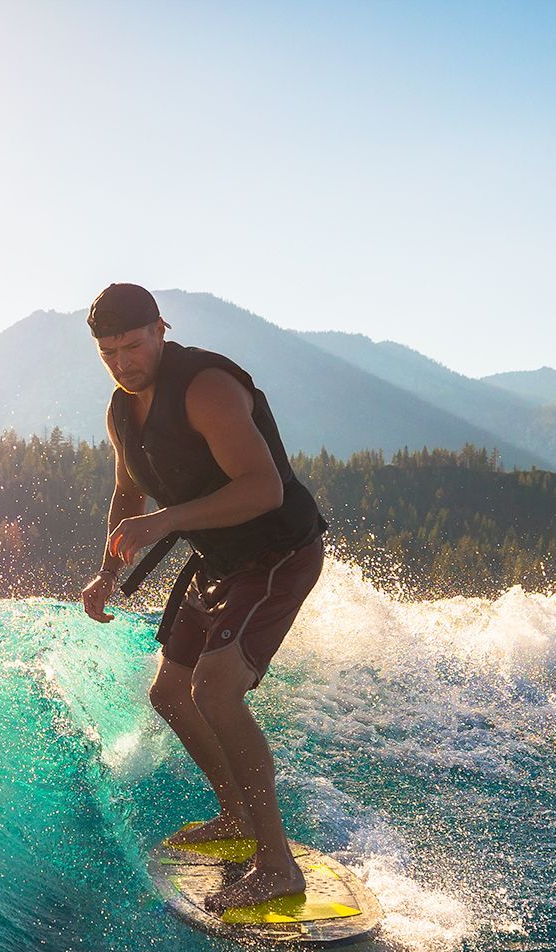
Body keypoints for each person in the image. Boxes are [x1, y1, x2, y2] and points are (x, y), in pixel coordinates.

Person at [78, 283, 327, 913]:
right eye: (108, 352)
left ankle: (279, 866)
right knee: (169, 694)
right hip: (217, 559)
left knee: (215, 691)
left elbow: (264, 488)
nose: (123, 362)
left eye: (133, 345)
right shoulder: (121, 409)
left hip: (278, 553)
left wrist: (165, 523)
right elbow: (128, 494)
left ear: (161, 328)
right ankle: (237, 817)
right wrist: (107, 572)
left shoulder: (207, 388)